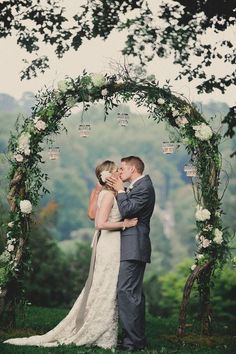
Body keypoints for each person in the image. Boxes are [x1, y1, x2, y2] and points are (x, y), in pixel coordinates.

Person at [4, 160, 138, 349]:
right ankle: (99, 331)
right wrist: (126, 224)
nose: (119, 173)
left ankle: (105, 331)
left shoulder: (110, 193)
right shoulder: (107, 195)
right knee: (105, 286)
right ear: (109, 176)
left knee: (106, 286)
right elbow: (99, 223)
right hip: (109, 244)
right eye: (116, 171)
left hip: (112, 244)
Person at [107, 156, 155, 352]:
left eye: (123, 168)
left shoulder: (144, 187)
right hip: (131, 245)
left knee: (126, 292)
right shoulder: (138, 186)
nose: (120, 171)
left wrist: (119, 190)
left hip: (134, 245)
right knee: (132, 294)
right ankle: (134, 340)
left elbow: (127, 210)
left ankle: (133, 343)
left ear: (133, 169)